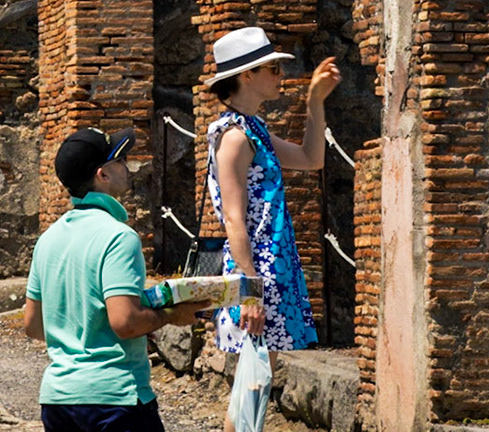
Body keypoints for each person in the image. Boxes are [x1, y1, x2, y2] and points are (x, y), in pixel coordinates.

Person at [23, 127, 206, 432]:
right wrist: (173, 314)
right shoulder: (119, 237)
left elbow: (33, 324)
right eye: (120, 159)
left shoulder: (48, 239)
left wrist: (81, 334)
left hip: (58, 399)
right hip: (114, 399)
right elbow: (125, 322)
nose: (127, 166)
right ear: (103, 175)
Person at [204, 26, 340, 426]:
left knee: (255, 385)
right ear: (247, 75)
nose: (280, 76)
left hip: (272, 267)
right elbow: (233, 217)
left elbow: (311, 157)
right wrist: (250, 290)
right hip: (256, 270)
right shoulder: (233, 136)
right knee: (252, 384)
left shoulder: (253, 129)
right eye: (273, 69)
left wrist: (316, 102)